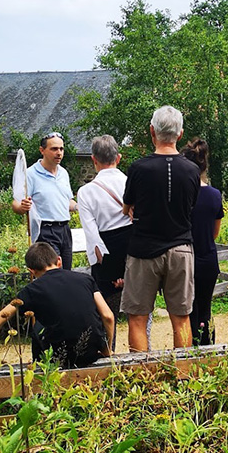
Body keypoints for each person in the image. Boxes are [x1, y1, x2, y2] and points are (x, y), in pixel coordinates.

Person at [121, 106, 200, 352]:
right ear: (180, 133)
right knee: (182, 317)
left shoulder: (138, 168)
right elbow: (190, 206)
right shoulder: (192, 170)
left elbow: (127, 207)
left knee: (137, 317)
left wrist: (134, 209)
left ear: (152, 131)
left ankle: (141, 378)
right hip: (180, 249)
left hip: (144, 250)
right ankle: (184, 378)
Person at [0, 243, 114, 368]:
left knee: (38, 327)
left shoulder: (31, 290)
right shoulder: (86, 279)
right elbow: (108, 316)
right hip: (91, 353)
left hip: (57, 358)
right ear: (59, 261)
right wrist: (106, 350)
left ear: (31, 271)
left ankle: (39, 366)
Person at [76, 135, 132, 327]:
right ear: (119, 157)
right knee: (141, 311)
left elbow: (91, 233)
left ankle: (109, 350)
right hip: (134, 249)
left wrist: (107, 269)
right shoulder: (130, 182)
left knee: (106, 313)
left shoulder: (86, 192)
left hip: (106, 251)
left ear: (93, 159)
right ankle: (144, 350)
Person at [12, 132, 78, 269]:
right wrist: (22, 207)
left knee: (66, 271)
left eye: (61, 149)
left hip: (65, 230)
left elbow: (67, 202)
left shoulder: (63, 173)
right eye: (54, 149)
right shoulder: (30, 174)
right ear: (42, 150)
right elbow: (15, 204)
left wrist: (80, 206)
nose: (59, 153)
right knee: (53, 273)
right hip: (45, 230)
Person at [181, 138, 224, 346]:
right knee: (205, 310)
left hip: (185, 257)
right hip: (208, 257)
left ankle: (187, 352)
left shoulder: (182, 196)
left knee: (186, 310)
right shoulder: (214, 195)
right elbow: (215, 232)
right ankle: (208, 350)